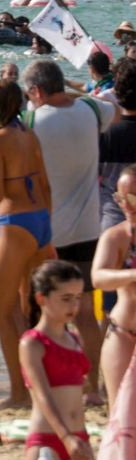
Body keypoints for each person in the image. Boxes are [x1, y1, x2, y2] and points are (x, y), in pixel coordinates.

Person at [24, 58, 109, 395]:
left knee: (47, 310)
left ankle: (49, 382)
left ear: (37, 91)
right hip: (90, 227)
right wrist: (78, 88)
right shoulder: (92, 111)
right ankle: (92, 388)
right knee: (86, 312)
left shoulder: (32, 119)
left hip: (49, 233)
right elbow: (112, 106)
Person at [0, 79, 53, 407]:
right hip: (40, 221)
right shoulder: (30, 134)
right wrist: (46, 229)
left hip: (16, 223)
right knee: (31, 311)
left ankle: (18, 393)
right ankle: (41, 384)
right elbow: (47, 185)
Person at [21, 259, 93, 460]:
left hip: (79, 437)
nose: (74, 305)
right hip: (48, 440)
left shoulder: (75, 339)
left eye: (78, 298)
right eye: (66, 298)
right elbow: (42, 395)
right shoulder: (32, 343)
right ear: (41, 298)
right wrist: (66, 437)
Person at [92, 165, 136, 411]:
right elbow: (98, 277)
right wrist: (131, 274)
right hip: (123, 331)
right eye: (120, 198)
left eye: (132, 197)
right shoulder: (116, 237)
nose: (125, 206)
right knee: (120, 414)